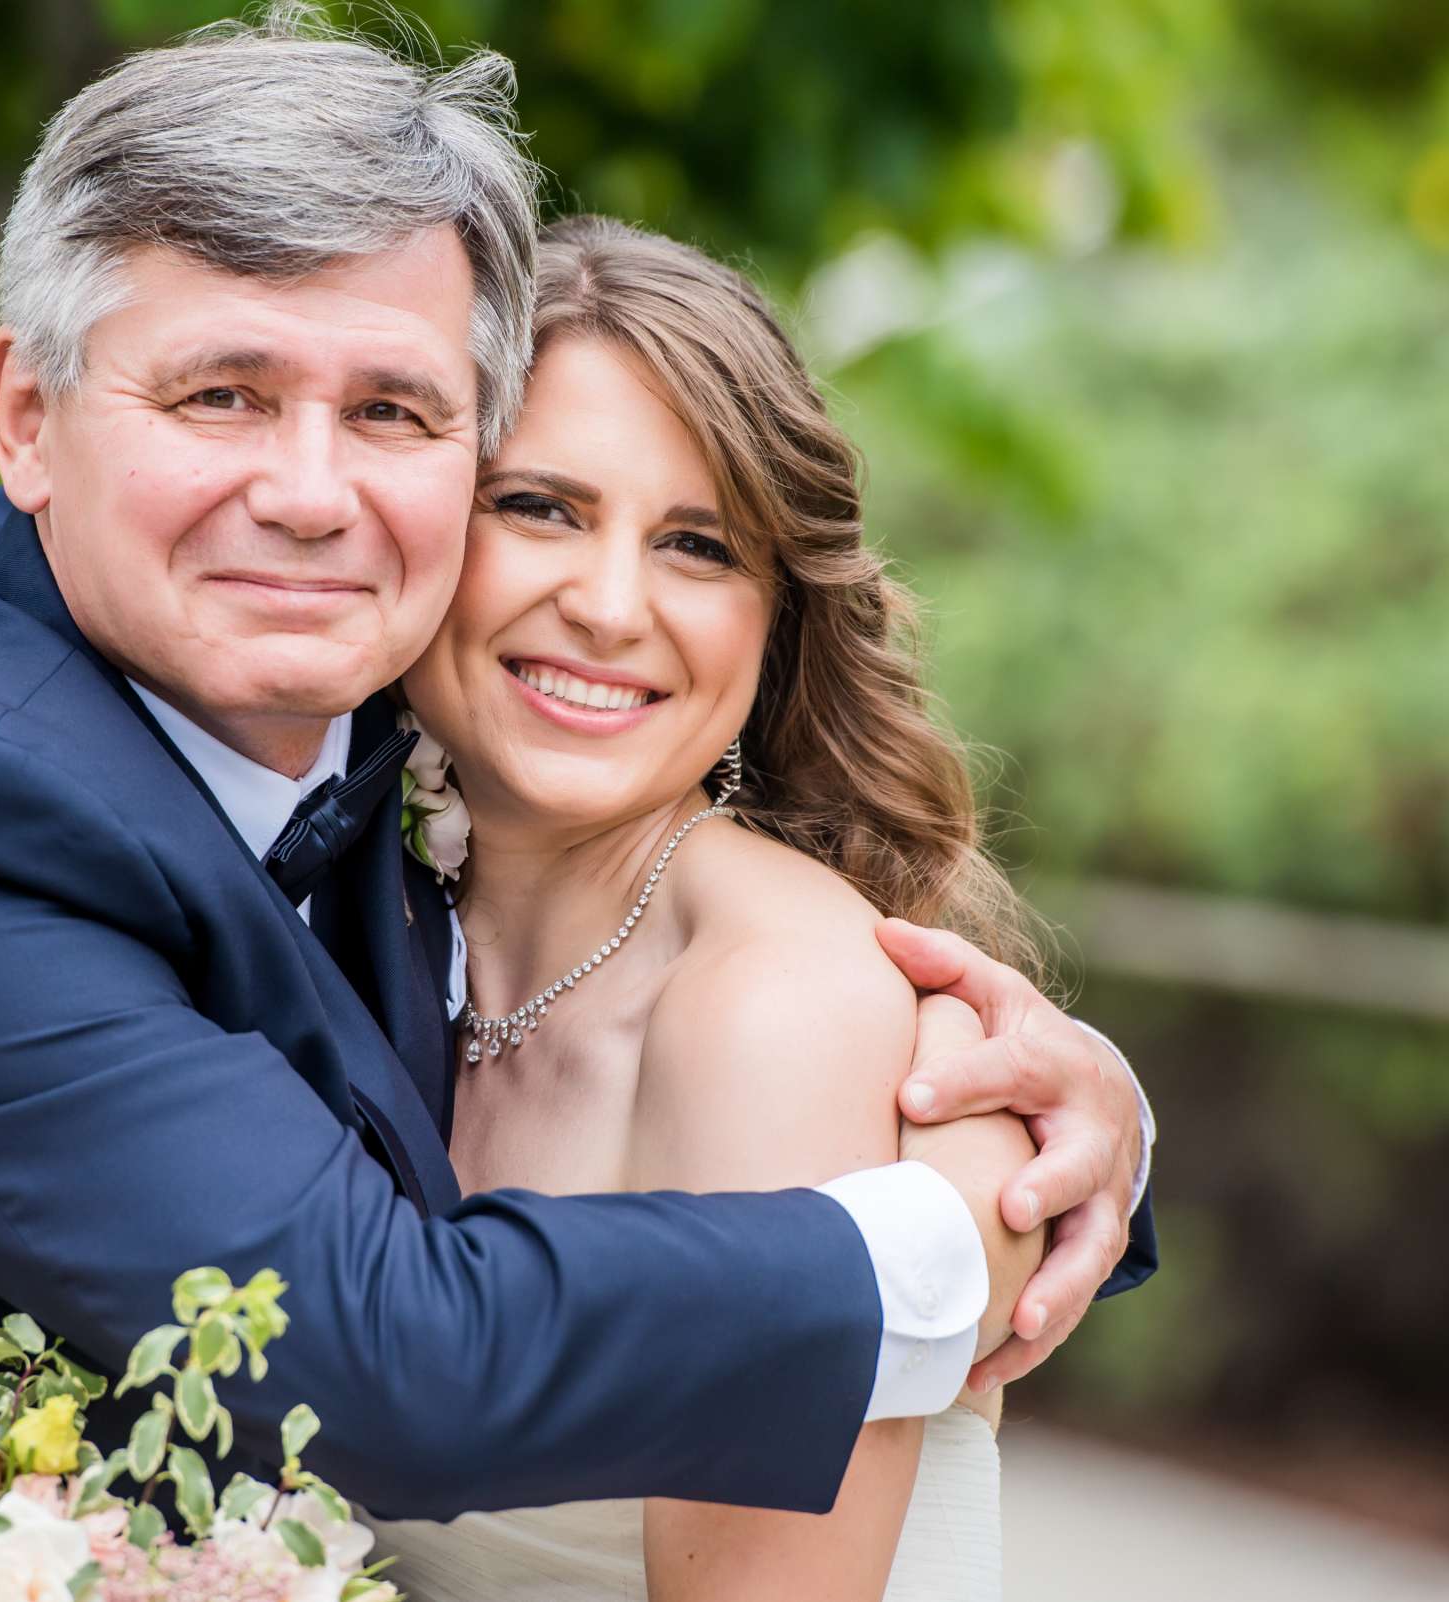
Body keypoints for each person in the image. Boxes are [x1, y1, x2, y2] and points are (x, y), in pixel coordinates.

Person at [0, 8, 1154, 1525]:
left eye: (391, 410)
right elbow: (388, 1362)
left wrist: (1085, 1121)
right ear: (29, 416)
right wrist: (956, 1234)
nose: (310, 494)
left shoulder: (379, 736)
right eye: (223, 393)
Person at [366, 215, 1052, 1599]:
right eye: (541, 506)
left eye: (698, 545)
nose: (611, 605)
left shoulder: (772, 1006)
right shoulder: (367, 931)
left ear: (775, 616)